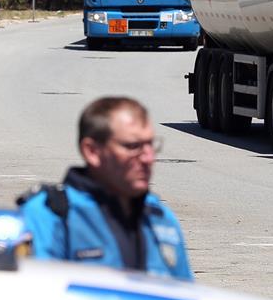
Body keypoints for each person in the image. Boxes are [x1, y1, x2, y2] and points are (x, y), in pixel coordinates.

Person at [19, 96, 193, 281]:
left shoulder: (160, 218)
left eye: (150, 145)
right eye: (133, 146)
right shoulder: (51, 215)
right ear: (92, 151)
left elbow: (186, 293)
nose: (148, 158)